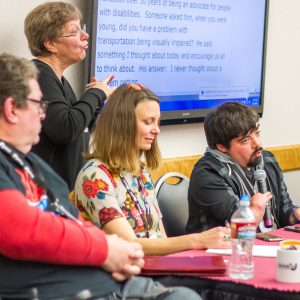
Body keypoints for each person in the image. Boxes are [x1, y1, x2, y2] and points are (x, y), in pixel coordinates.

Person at [0, 53, 202, 299]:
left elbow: (72, 222)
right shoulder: (7, 165)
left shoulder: (34, 166)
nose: (43, 114)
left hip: (106, 280)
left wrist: (112, 252)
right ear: (12, 109)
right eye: (38, 105)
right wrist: (105, 248)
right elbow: (19, 228)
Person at [73, 83, 230, 256]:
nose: (157, 130)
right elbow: (129, 244)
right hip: (124, 273)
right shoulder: (95, 178)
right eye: (148, 122)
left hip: (155, 267)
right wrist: (196, 240)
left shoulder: (140, 172)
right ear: (122, 125)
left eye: (157, 122)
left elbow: (159, 236)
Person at [24, 1, 114, 190]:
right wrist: (96, 93)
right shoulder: (39, 75)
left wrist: (98, 102)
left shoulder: (59, 80)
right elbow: (65, 128)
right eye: (74, 32)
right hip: (48, 199)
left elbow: (79, 131)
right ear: (50, 44)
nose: (85, 35)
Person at [186, 102, 300, 234]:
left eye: (257, 133)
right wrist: (256, 208)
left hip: (267, 245)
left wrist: (294, 214)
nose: (258, 143)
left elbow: (283, 209)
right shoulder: (207, 173)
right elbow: (239, 230)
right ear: (221, 147)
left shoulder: (267, 160)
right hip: (222, 251)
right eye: (245, 140)